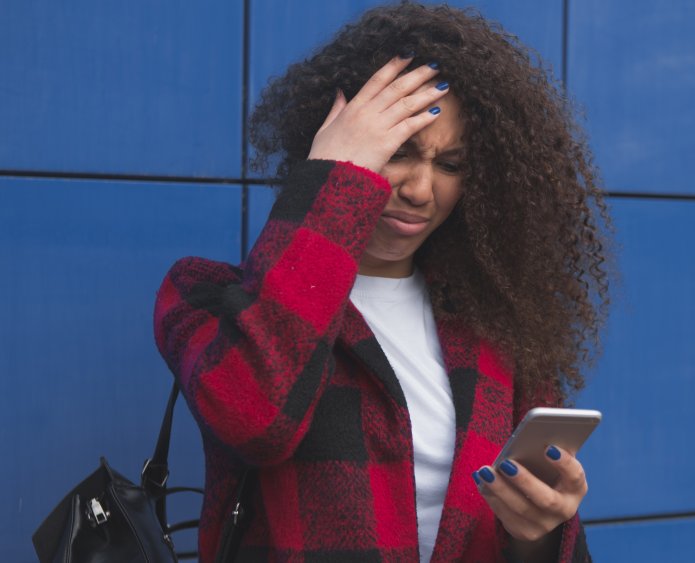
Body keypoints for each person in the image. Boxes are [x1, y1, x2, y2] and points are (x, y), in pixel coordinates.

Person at [154, 3, 611, 561]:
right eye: (399, 151)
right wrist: (335, 180)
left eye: (451, 165)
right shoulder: (208, 297)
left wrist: (539, 533)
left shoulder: (495, 330)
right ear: (334, 144)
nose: (422, 189)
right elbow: (255, 419)